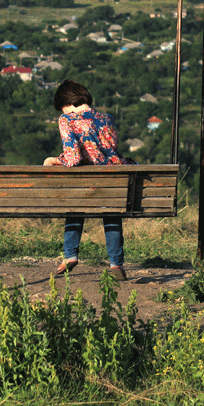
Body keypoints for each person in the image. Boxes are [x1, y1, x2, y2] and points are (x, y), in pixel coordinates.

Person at [43, 80, 130, 281]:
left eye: (62, 108)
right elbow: (112, 151)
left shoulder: (67, 120)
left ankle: (70, 255)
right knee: (112, 213)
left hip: (85, 183)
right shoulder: (107, 118)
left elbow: (73, 158)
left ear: (67, 103)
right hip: (112, 181)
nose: (63, 112)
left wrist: (54, 160)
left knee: (76, 204)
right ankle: (116, 264)